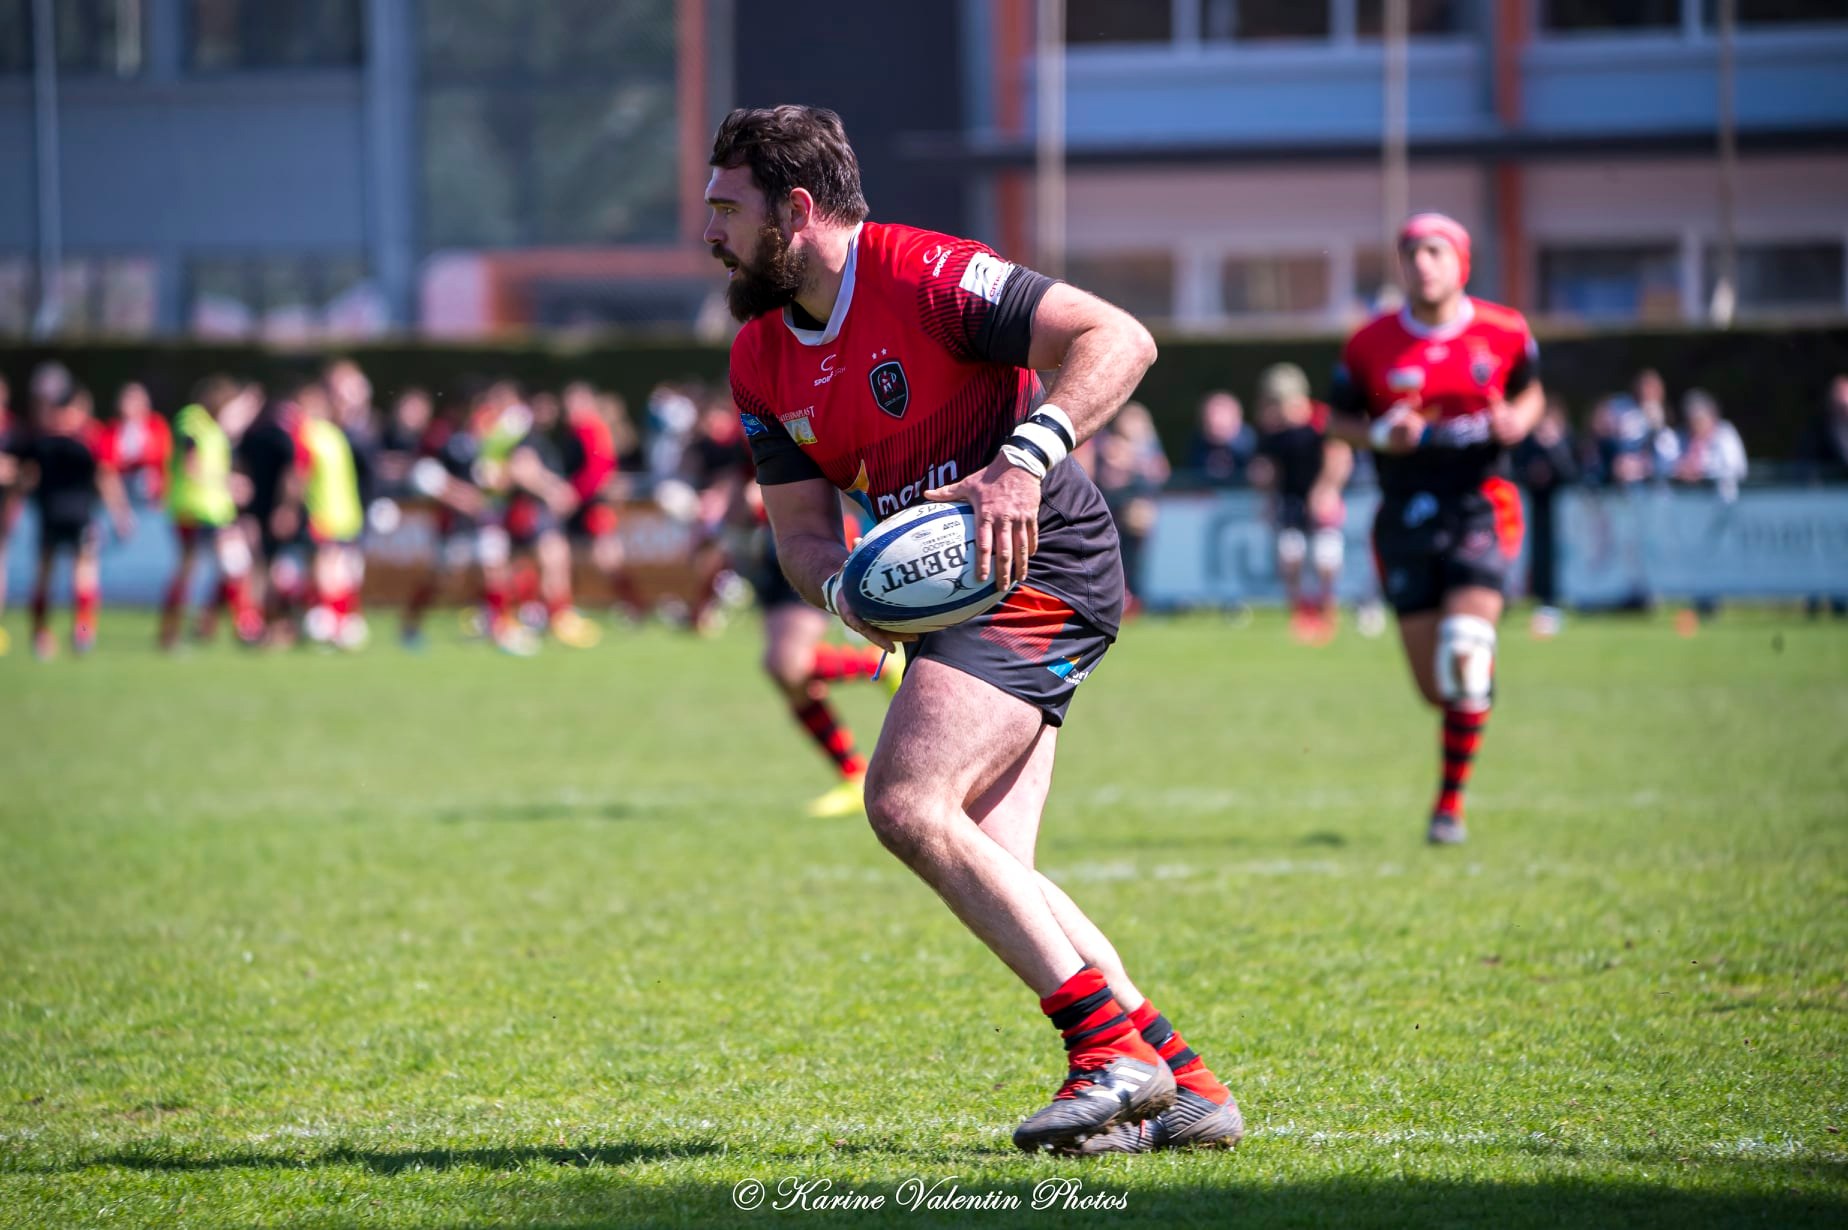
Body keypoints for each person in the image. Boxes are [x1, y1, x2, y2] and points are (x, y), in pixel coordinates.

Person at [708, 104, 1240, 1154]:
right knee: (997, 858)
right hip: (956, 598)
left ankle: (1107, 1056)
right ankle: (1183, 1086)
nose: (711, 233)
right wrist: (847, 598)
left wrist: (1023, 459)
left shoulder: (928, 274)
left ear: (798, 211)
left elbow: (1119, 337)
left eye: (728, 210)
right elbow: (804, 535)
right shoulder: (760, 357)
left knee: (905, 801)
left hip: (1042, 559)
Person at [1326, 212, 1545, 846]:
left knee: (1468, 649)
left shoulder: (1505, 331)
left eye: (1435, 251)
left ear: (1460, 262)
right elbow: (1338, 420)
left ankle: (1448, 806)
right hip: (1404, 516)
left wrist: (1519, 422)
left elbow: (1531, 394)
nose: (1423, 263)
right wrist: (1377, 434)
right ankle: (1468, 691)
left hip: (1481, 504)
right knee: (1437, 687)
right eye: (1412, 253)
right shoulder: (1368, 343)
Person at [14, 380, 135, 658]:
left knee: (47, 575)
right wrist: (121, 514)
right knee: (83, 574)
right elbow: (106, 477)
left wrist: (16, 499)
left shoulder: (40, 442)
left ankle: (42, 636)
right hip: (79, 516)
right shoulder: (89, 442)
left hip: (50, 516)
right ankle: (81, 633)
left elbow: (25, 478)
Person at [159, 375, 264, 650]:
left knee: (234, 563)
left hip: (216, 512)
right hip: (193, 509)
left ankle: (242, 626)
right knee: (191, 570)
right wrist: (227, 482)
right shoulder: (192, 419)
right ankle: (171, 633)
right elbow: (192, 466)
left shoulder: (216, 430)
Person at [1250, 362, 1352, 643]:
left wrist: (1326, 490)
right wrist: (1266, 492)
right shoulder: (1272, 429)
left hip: (1320, 499)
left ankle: (1327, 608)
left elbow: (1340, 455)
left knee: (1325, 557)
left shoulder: (1321, 420)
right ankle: (1300, 610)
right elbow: (1267, 468)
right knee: (1290, 554)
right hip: (1290, 500)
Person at [1512, 395, 1578, 638]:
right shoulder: (1528, 444)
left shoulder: (1564, 443)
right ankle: (1538, 599)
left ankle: (1554, 601)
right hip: (1533, 509)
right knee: (1534, 556)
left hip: (1563, 512)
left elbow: (1571, 473)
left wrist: (1554, 448)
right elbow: (1516, 469)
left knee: (1559, 557)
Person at [1092, 402, 1169, 613]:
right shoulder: (1110, 445)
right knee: (1116, 558)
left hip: (1139, 512)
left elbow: (1160, 474)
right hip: (1115, 511)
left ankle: (1134, 599)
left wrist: (1133, 462)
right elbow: (1109, 480)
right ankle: (1120, 599)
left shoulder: (1149, 447)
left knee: (1136, 561)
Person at [1795, 375, 1848, 618]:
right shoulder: (1821, 428)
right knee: (1821, 554)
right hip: (1826, 504)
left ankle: (1840, 604)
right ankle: (1815, 603)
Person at [104, 382, 172, 506]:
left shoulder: (156, 425)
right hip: (123, 489)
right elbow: (107, 466)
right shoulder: (112, 430)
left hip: (150, 490)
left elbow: (162, 457)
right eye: (128, 398)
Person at [1189, 391, 1257, 487]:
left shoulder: (1253, 445)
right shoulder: (1198, 445)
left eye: (1219, 415)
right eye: (1209, 417)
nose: (1214, 420)